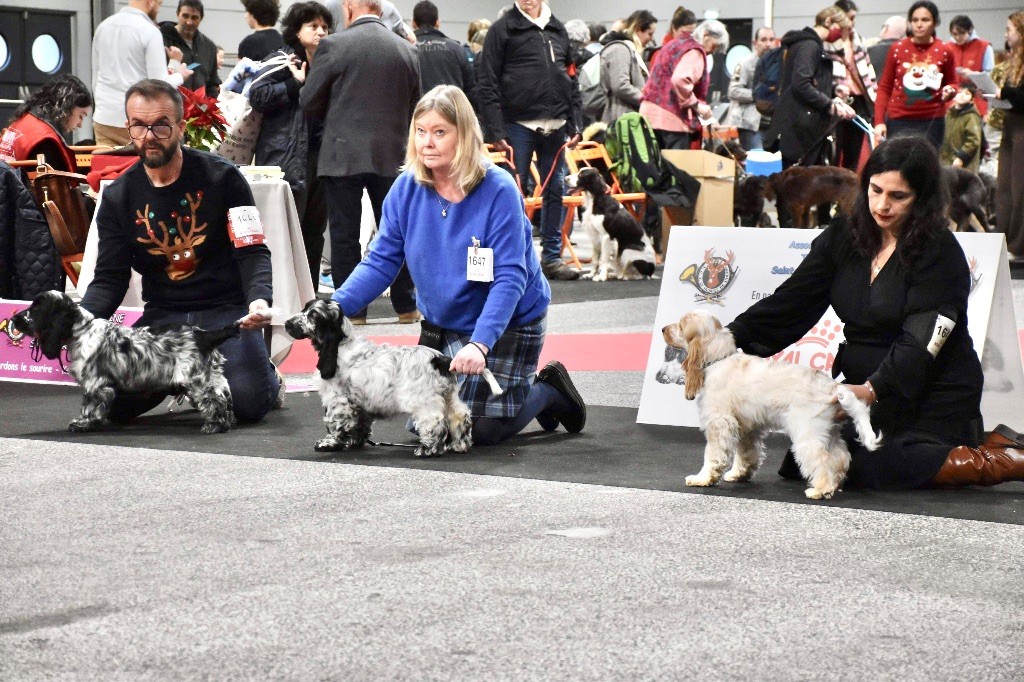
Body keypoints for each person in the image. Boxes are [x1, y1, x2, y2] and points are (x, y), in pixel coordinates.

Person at [727, 136, 1024, 490]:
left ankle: (997, 461)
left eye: (898, 196)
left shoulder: (940, 253)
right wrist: (727, 338)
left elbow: (922, 344)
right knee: (809, 460)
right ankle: (994, 445)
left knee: (870, 460)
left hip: (931, 393)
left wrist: (872, 389)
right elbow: (792, 301)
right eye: (875, 190)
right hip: (863, 393)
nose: (882, 205)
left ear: (923, 199)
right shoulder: (843, 235)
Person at [332, 85, 586, 445]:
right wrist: (334, 307)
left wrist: (480, 344)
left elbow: (510, 277)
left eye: (440, 132)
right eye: (421, 131)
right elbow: (380, 261)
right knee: (427, 423)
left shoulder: (499, 189)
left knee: (476, 430)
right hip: (446, 322)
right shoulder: (405, 188)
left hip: (508, 320)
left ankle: (548, 390)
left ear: (464, 135)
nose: (427, 143)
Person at [79, 79, 280, 423]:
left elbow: (251, 251)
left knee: (247, 404)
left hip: (223, 312)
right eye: (138, 126)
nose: (149, 136)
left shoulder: (225, 178)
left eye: (160, 125)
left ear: (180, 127)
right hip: (163, 319)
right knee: (110, 403)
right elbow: (109, 278)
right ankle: (183, 378)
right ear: (128, 127)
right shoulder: (117, 197)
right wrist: (79, 319)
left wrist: (259, 299)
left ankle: (267, 376)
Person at [300, 0, 420, 324]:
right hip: (394, 154)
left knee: (344, 236)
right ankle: (406, 306)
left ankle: (353, 311)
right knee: (399, 232)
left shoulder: (334, 45)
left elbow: (309, 102)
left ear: (349, 8)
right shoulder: (407, 50)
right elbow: (416, 105)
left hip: (342, 155)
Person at [476, 0, 583, 282]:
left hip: (557, 124)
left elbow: (572, 80)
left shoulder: (558, 29)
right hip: (518, 125)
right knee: (511, 193)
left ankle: (552, 258)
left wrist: (577, 122)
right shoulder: (501, 30)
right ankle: (513, 258)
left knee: (555, 190)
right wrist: (496, 130)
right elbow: (486, 82)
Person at [249, 1, 332, 289]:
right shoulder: (283, 59)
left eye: (325, 27)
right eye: (313, 26)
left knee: (314, 231)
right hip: (285, 157)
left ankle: (308, 295)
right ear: (296, 30)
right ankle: (278, 293)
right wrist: (294, 84)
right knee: (284, 232)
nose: (321, 31)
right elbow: (257, 95)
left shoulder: (327, 62)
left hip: (319, 156)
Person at [766, 6, 856, 170]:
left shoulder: (803, 44)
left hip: (794, 123)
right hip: (799, 129)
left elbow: (806, 81)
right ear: (828, 21)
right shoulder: (810, 46)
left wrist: (833, 90)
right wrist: (829, 105)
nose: (840, 35)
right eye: (840, 28)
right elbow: (801, 84)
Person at [91, 0, 191, 147]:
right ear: (150, 2)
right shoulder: (150, 32)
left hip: (103, 118)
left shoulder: (103, 27)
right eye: (159, 3)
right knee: (141, 162)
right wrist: (180, 75)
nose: (158, 9)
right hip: (137, 121)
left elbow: (95, 77)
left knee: (105, 161)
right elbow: (159, 85)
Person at [873, 1, 958, 149]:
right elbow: (884, 87)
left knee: (927, 161)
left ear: (935, 23)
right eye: (915, 20)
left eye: (925, 20)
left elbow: (953, 82)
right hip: (899, 120)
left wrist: (950, 90)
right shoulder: (897, 48)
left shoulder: (945, 50)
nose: (919, 25)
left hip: (932, 121)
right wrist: (879, 121)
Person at [639, 20, 727, 152]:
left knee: (655, 164)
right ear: (706, 35)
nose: (713, 51)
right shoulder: (695, 52)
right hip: (672, 122)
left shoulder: (674, 44)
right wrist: (697, 106)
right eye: (715, 46)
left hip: (648, 117)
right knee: (676, 165)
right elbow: (680, 80)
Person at [823, 0, 877, 170]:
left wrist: (874, 96)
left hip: (859, 99)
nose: (852, 22)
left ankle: (850, 181)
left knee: (854, 151)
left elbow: (868, 70)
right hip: (837, 100)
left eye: (854, 18)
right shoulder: (828, 42)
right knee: (834, 149)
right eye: (850, 18)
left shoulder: (857, 39)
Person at [0, 75, 93, 173]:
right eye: (81, 116)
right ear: (67, 108)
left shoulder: (23, 120)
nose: (80, 125)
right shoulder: (47, 142)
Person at [995, 11, 1024, 261]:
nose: (1005, 34)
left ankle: (1018, 246)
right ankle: (1002, 241)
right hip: (1010, 125)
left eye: (1009, 30)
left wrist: (1005, 92)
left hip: (1022, 129)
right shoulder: (1013, 59)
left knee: (1019, 190)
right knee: (1004, 188)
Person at [411, 1, 476, 107]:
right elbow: (471, 91)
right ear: (438, 22)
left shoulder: (405, 49)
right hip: (450, 112)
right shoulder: (456, 49)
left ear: (413, 23)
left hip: (416, 114)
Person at [723, 26, 776, 151]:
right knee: (756, 160)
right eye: (763, 40)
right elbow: (733, 91)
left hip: (772, 125)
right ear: (755, 43)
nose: (768, 44)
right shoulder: (746, 63)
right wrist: (760, 93)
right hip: (751, 125)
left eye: (771, 40)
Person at [599, 10, 656, 125]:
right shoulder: (620, 49)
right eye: (650, 33)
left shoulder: (626, 49)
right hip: (622, 118)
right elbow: (620, 86)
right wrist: (646, 99)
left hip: (627, 116)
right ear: (638, 29)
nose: (651, 38)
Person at [160, 0, 221, 97]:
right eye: (185, 16)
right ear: (177, 14)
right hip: (170, 102)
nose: (189, 22)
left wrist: (213, 103)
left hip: (200, 105)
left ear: (201, 18)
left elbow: (212, 84)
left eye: (194, 17)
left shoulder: (209, 47)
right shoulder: (162, 41)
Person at [947, 14, 994, 117]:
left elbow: (991, 75)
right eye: (954, 34)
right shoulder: (948, 47)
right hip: (953, 100)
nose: (958, 37)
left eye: (962, 33)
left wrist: (972, 74)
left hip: (977, 99)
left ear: (970, 30)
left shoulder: (984, 47)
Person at [939, 82, 983, 170]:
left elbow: (973, 141)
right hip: (946, 162)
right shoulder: (949, 114)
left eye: (967, 94)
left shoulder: (971, 117)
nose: (962, 95)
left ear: (972, 100)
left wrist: (961, 158)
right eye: (959, 92)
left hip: (962, 165)